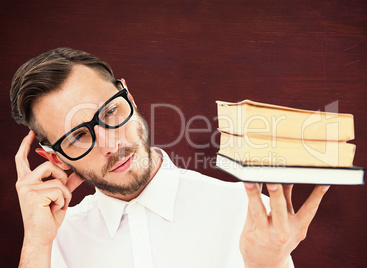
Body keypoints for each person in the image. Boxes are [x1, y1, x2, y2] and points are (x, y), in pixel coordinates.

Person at [10, 47, 329, 268]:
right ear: (55, 158)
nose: (110, 143)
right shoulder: (50, 244)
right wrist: (36, 245)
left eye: (110, 111)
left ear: (130, 99)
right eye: (78, 136)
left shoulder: (246, 213)